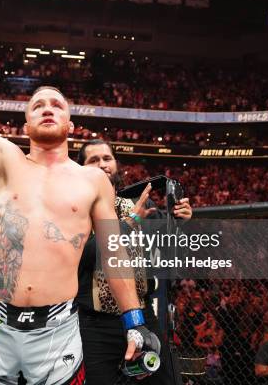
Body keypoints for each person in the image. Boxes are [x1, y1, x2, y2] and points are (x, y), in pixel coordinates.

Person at [0, 0, 160, 385]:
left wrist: (134, 322)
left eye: (57, 104)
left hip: (58, 330)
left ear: (70, 125)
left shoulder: (92, 180)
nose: (48, 107)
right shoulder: (2, 158)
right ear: (26, 125)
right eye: (38, 104)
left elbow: (114, 254)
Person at [76, 139, 192, 385]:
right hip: (95, 323)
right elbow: (81, 257)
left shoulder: (143, 203)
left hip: (142, 314)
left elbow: (171, 258)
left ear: (116, 164)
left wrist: (181, 223)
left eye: (107, 159)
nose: (102, 165)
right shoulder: (75, 208)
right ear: (81, 169)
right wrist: (129, 224)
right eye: (93, 160)